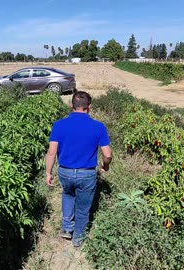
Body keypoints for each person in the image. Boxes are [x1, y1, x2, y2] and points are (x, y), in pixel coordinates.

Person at [45, 91, 112, 247]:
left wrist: (48, 172)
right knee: (83, 206)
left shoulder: (59, 125)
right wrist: (105, 165)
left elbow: (51, 152)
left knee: (68, 195)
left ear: (71, 105)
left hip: (65, 172)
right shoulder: (98, 127)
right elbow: (107, 154)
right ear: (89, 107)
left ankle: (67, 229)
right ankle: (78, 238)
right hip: (87, 174)